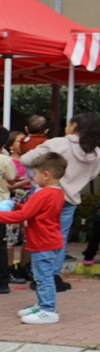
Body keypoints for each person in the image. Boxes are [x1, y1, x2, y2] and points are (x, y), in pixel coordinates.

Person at [20, 113, 100, 292]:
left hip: (46, 195)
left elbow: (25, 160)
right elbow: (93, 175)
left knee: (39, 235)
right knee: (60, 237)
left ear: (73, 125)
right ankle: (54, 275)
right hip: (70, 197)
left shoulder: (58, 143)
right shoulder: (95, 151)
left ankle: (39, 276)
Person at [0, 152, 66, 323]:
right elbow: (33, 212)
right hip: (48, 241)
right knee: (41, 276)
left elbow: (22, 216)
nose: (33, 178)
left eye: (35, 174)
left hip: (43, 242)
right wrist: (17, 206)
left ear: (46, 175)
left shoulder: (43, 194)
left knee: (43, 278)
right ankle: (42, 304)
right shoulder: (56, 192)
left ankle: (49, 309)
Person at [5, 131, 32, 285]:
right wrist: (29, 180)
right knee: (11, 235)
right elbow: (9, 185)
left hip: (29, 198)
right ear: (10, 145)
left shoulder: (30, 162)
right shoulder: (9, 161)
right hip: (14, 199)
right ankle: (9, 268)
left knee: (28, 233)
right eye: (19, 141)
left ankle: (24, 266)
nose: (23, 144)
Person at [0, 127, 17, 295]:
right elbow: (11, 181)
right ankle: (3, 282)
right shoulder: (5, 160)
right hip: (1, 207)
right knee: (0, 245)